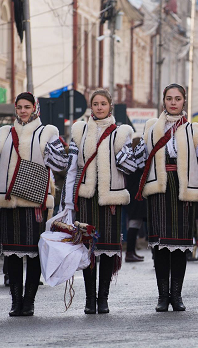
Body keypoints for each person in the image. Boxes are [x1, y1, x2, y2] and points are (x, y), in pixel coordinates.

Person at [134, 84, 198, 312]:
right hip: (159, 189)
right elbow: (138, 162)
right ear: (163, 101)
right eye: (169, 98)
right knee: (160, 247)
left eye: (178, 98)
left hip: (182, 190)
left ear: (184, 101)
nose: (173, 102)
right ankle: (162, 296)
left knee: (179, 246)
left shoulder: (194, 130)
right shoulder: (150, 128)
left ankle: (176, 295)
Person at [62, 89, 136, 314]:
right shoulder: (79, 131)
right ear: (91, 107)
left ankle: (103, 298)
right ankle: (89, 299)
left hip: (111, 198)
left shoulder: (122, 132)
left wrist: (122, 152)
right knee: (88, 250)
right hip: (86, 198)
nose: (100, 107)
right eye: (95, 104)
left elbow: (130, 168)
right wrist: (67, 204)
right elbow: (71, 168)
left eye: (103, 103)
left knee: (108, 250)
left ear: (110, 106)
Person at [0, 92, 68, 316]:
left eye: (27, 106)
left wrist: (54, 151)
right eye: (19, 107)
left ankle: (29, 301)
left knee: (34, 253)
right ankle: (16, 302)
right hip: (9, 200)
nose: (23, 111)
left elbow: (60, 164)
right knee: (13, 254)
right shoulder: (4, 132)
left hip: (37, 200)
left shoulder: (48, 131)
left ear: (35, 108)